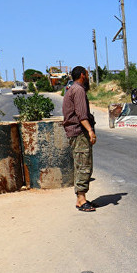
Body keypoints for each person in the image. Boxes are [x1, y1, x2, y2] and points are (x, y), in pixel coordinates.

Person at [62, 66, 96, 212]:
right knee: (83, 165)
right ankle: (81, 200)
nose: (88, 77)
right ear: (83, 75)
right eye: (87, 74)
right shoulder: (79, 90)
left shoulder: (73, 89)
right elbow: (82, 115)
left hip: (74, 133)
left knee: (80, 164)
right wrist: (90, 131)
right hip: (79, 133)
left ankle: (81, 198)